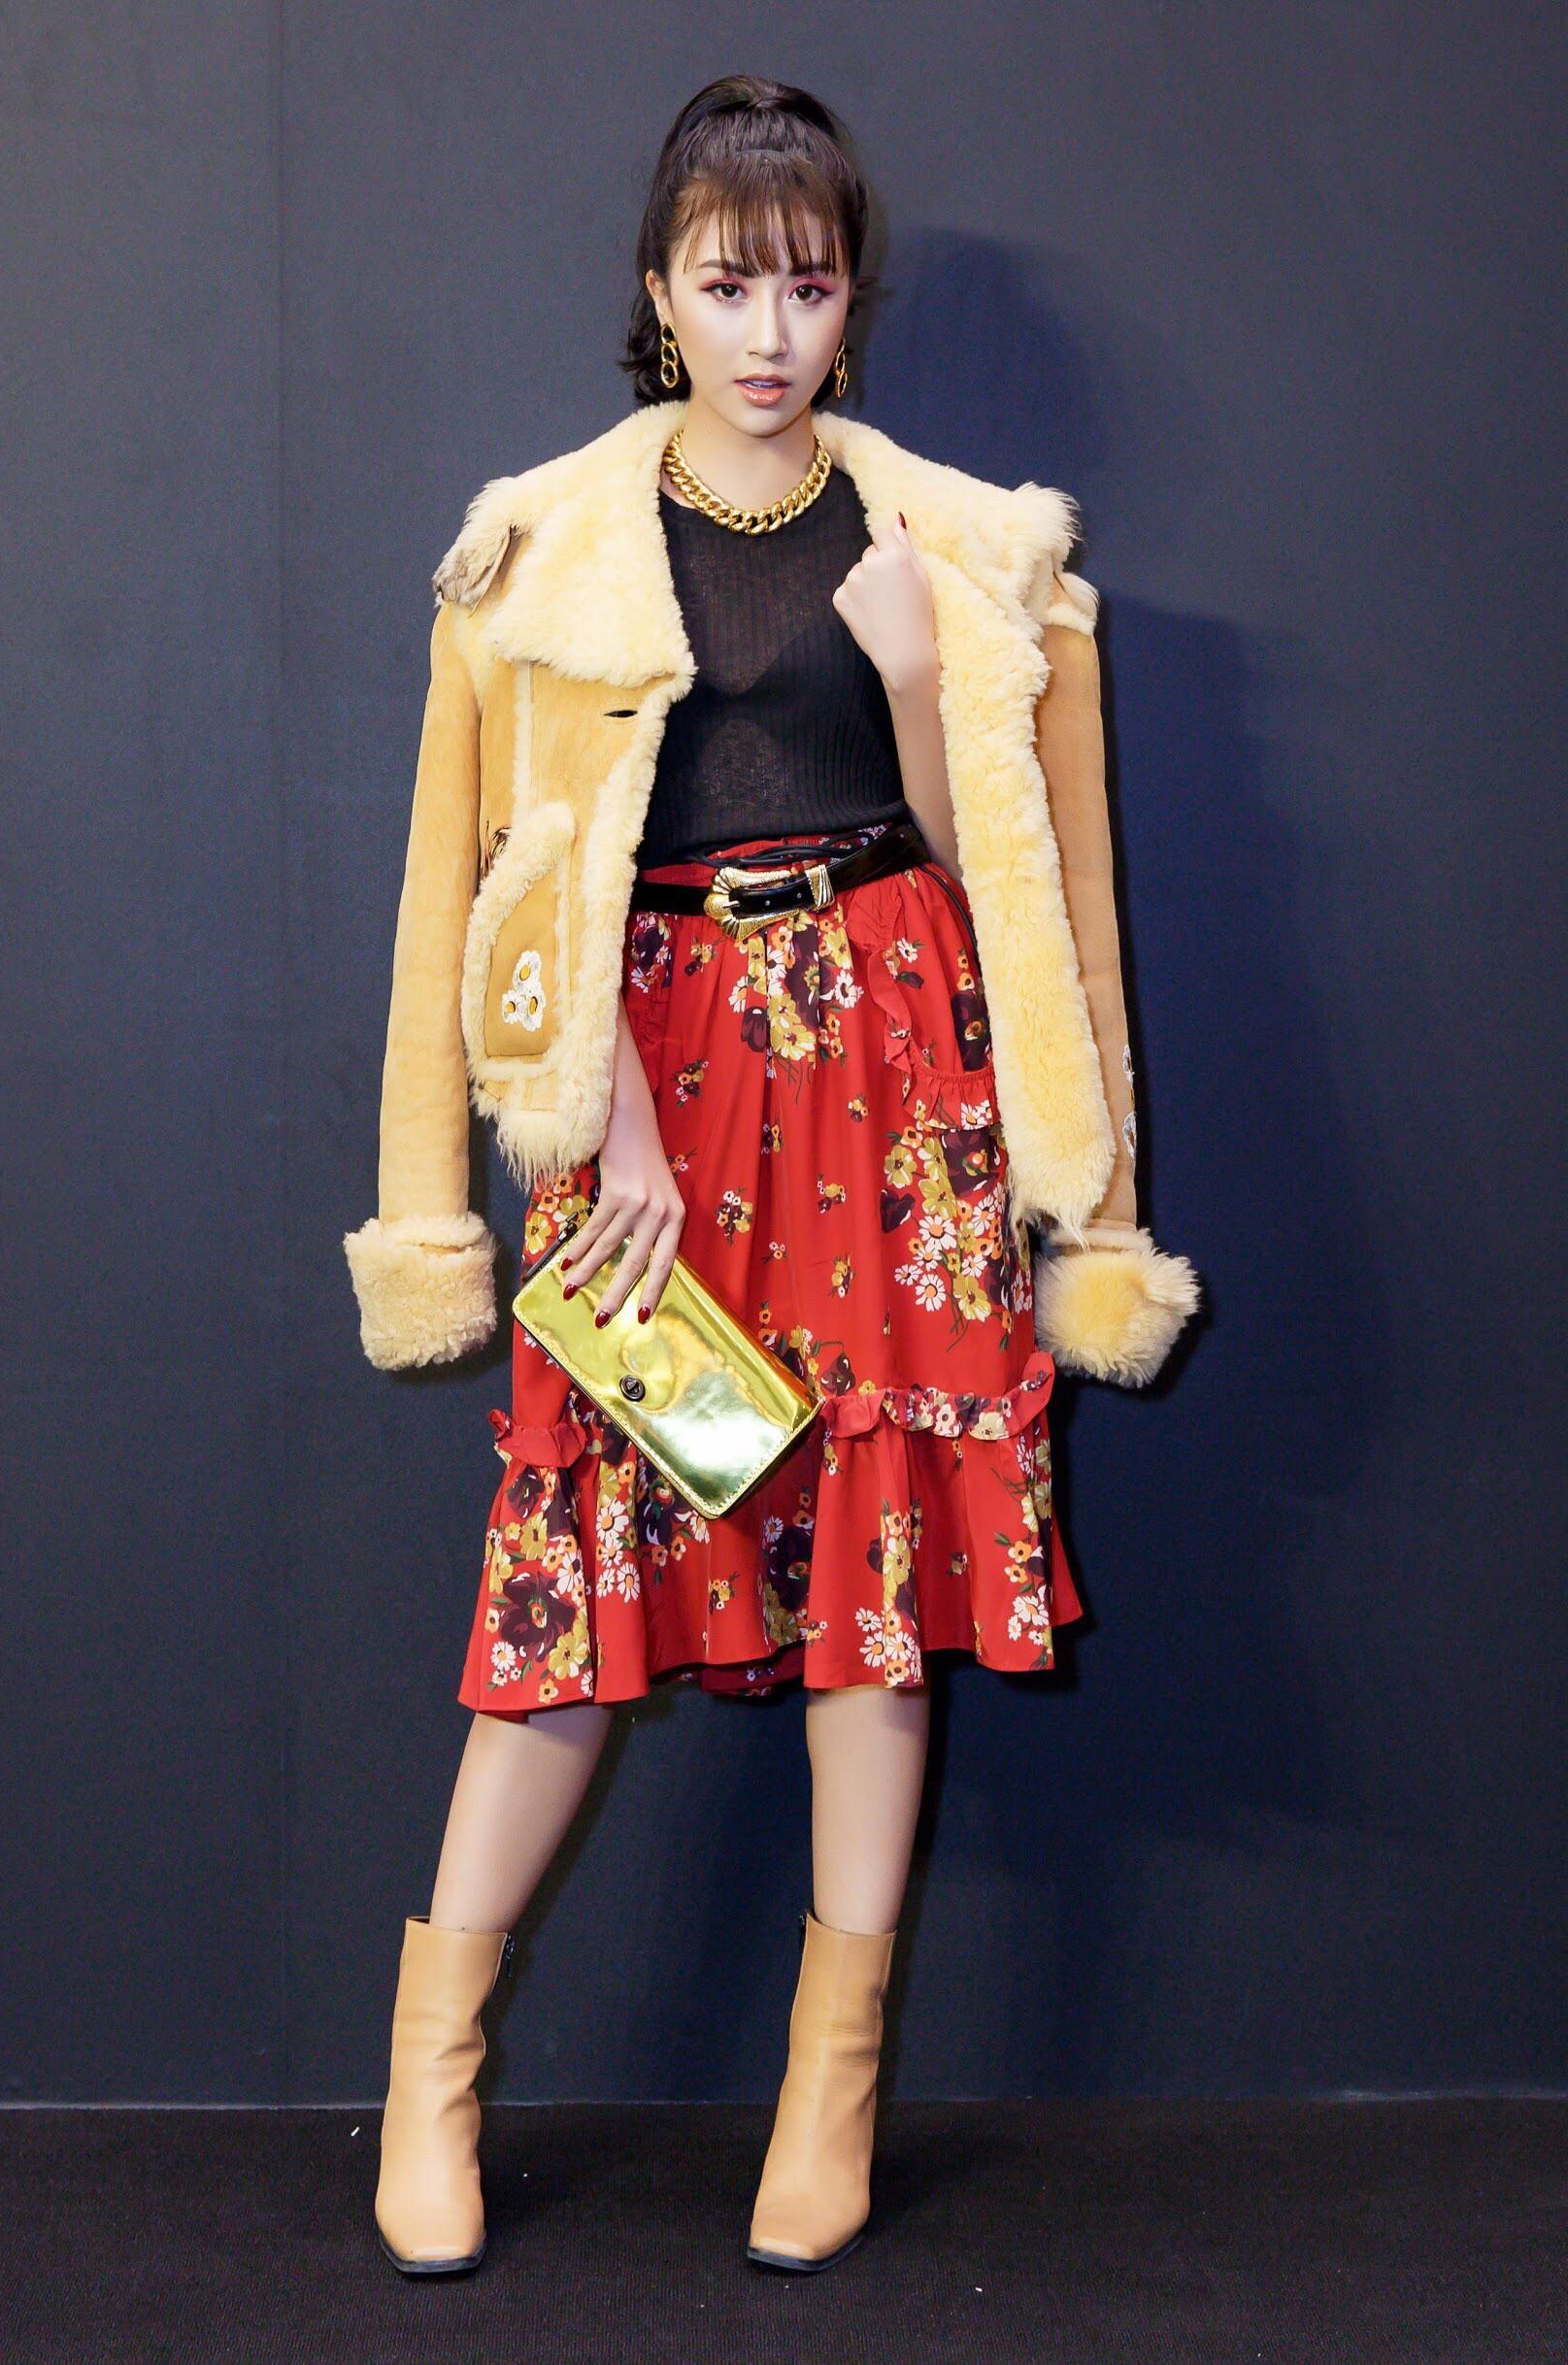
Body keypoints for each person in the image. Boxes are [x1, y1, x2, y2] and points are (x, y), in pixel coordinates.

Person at [345, 73, 1199, 2281]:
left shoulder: (958, 547)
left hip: (896, 1089)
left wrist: (919, 681)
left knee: (875, 1591)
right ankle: (431, 2074)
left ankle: (833, 2091)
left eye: (807, 288)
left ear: (849, 303)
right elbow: (478, 894)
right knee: (572, 1587)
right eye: (729, 285)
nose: (768, 330)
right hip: (647, 1116)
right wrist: (586, 1113)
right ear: (659, 290)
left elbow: (1024, 888)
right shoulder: (538, 551)